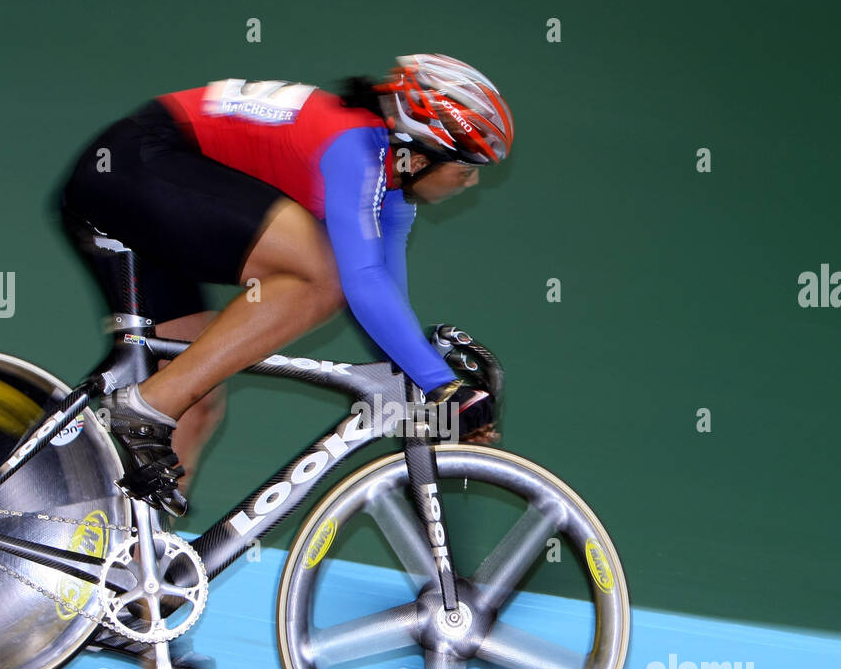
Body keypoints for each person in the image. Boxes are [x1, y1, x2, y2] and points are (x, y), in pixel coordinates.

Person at [57, 53, 512, 517]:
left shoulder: (392, 191)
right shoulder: (355, 145)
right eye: (466, 167)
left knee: (195, 403)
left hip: (147, 188)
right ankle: (146, 405)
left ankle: (130, 574)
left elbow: (381, 298)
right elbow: (358, 282)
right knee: (323, 275)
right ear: (422, 155)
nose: (470, 182)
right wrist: (440, 383)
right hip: (137, 164)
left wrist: (437, 388)